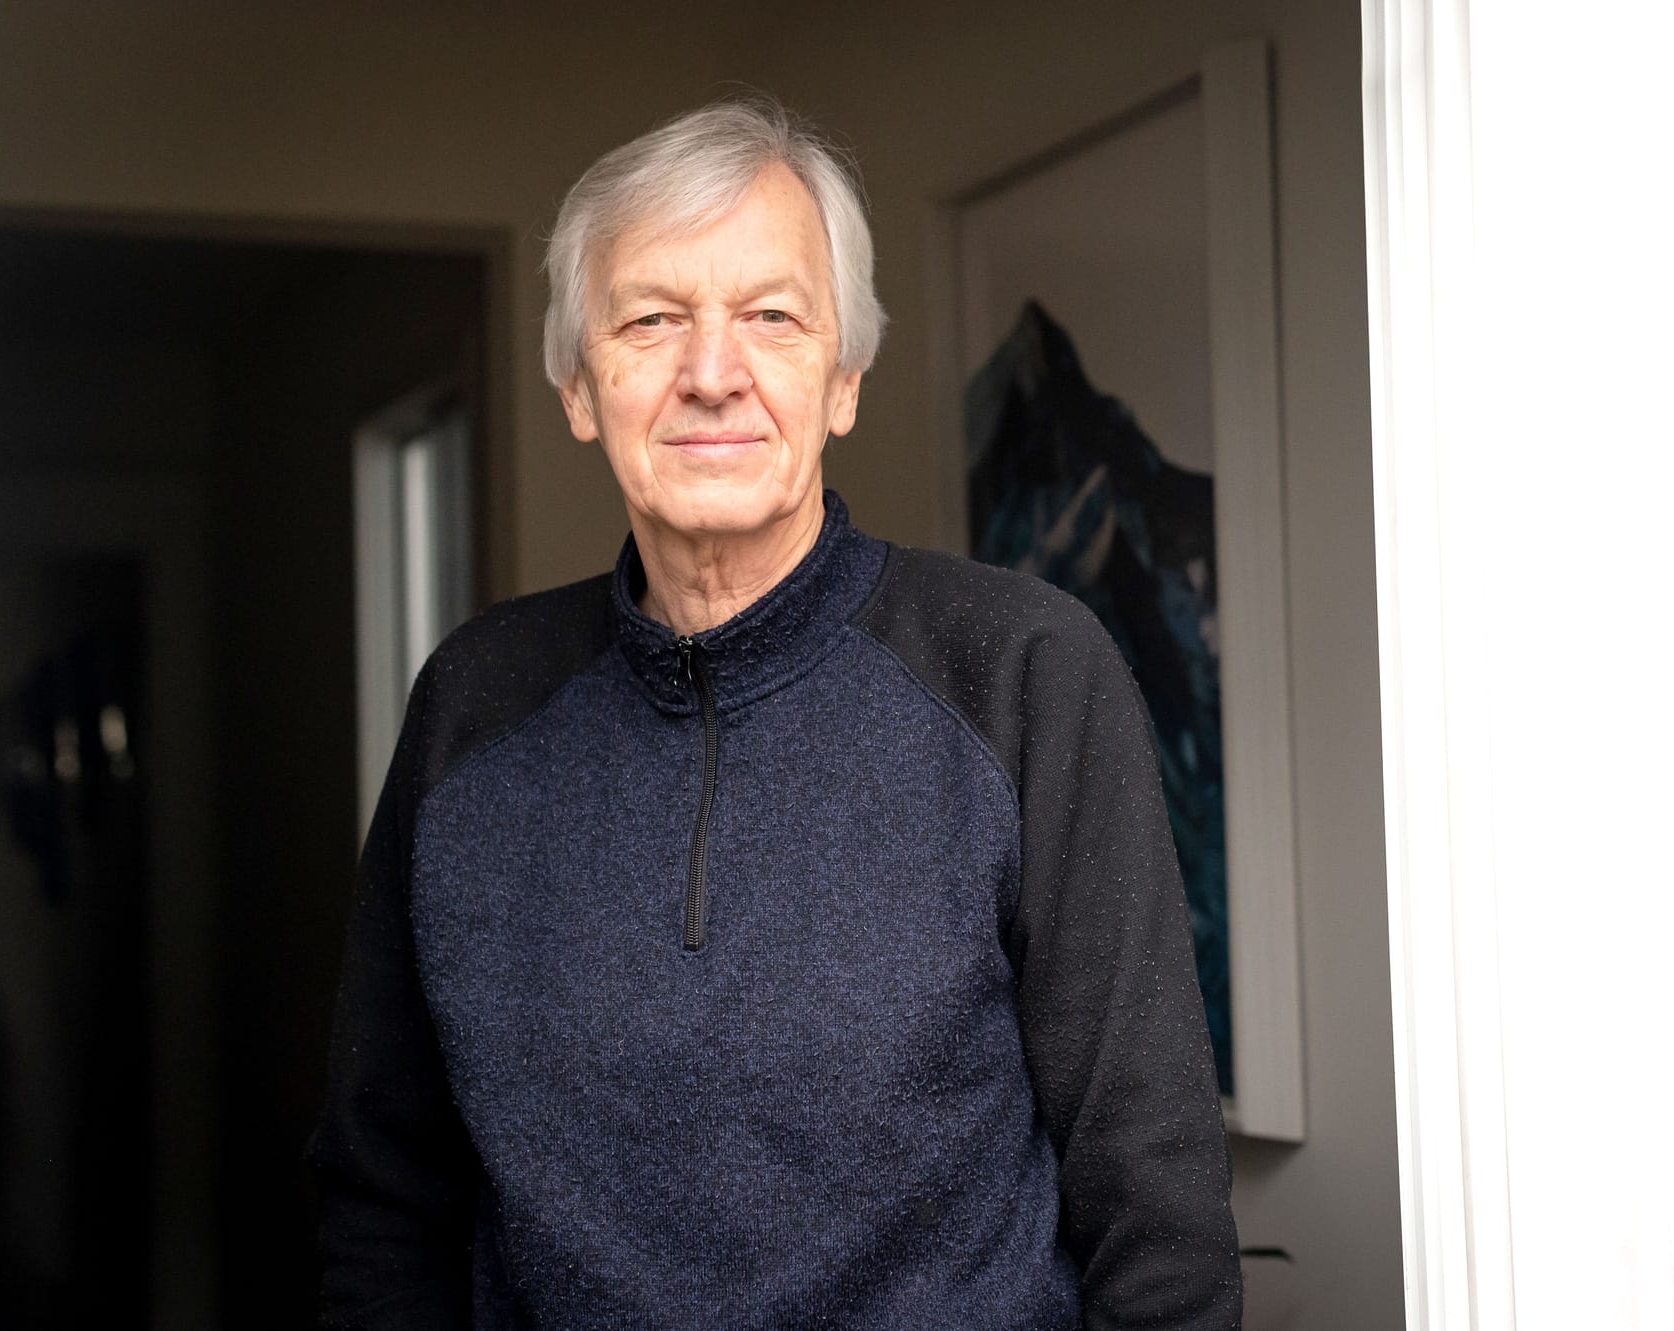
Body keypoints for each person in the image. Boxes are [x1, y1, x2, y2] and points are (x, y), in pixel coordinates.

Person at [309, 94, 1243, 1330]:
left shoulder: (1022, 671)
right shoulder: (472, 705)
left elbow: (1157, 1215)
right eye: (650, 319)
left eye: (771, 317)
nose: (712, 374)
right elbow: (382, 1199)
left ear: (841, 379)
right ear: (577, 385)